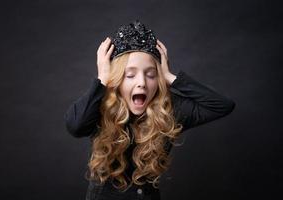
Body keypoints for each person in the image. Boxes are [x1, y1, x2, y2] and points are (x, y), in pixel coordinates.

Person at [64, 20, 236, 200]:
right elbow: (76, 126)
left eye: (151, 74)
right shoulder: (102, 105)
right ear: (118, 79)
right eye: (130, 75)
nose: (142, 83)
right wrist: (102, 79)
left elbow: (223, 105)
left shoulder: (169, 108)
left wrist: (171, 77)